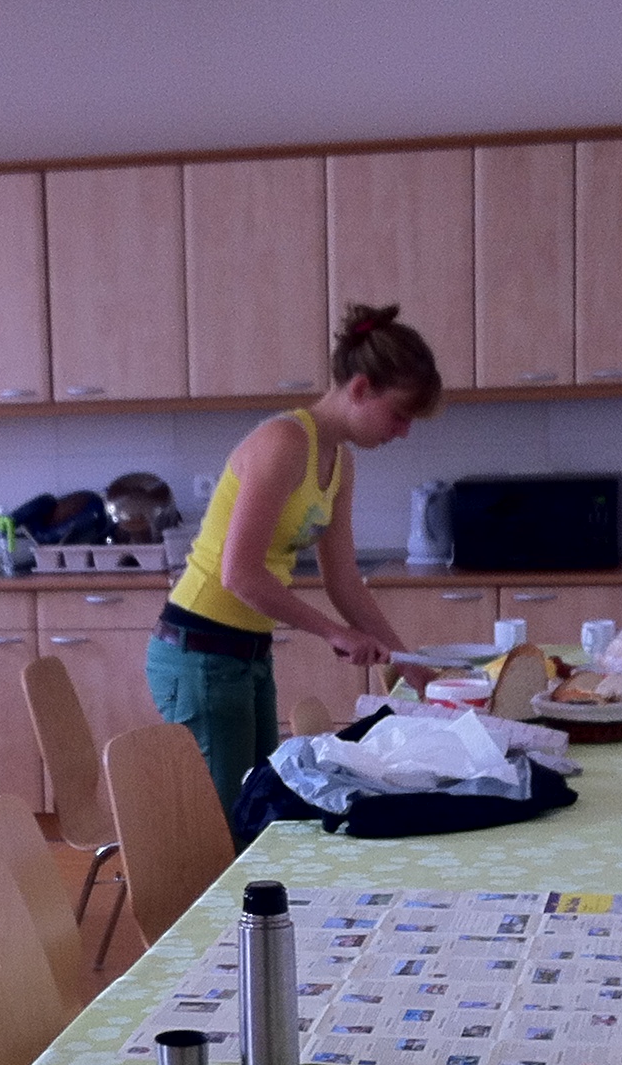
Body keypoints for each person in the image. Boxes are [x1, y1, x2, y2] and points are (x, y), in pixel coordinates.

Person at [147, 303, 443, 818]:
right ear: (360, 389)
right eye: (400, 414)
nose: (404, 432)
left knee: (260, 810)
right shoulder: (284, 442)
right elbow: (239, 574)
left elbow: (343, 581)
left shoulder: (339, 461)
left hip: (246, 652)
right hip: (199, 650)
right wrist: (334, 633)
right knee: (233, 821)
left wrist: (406, 662)